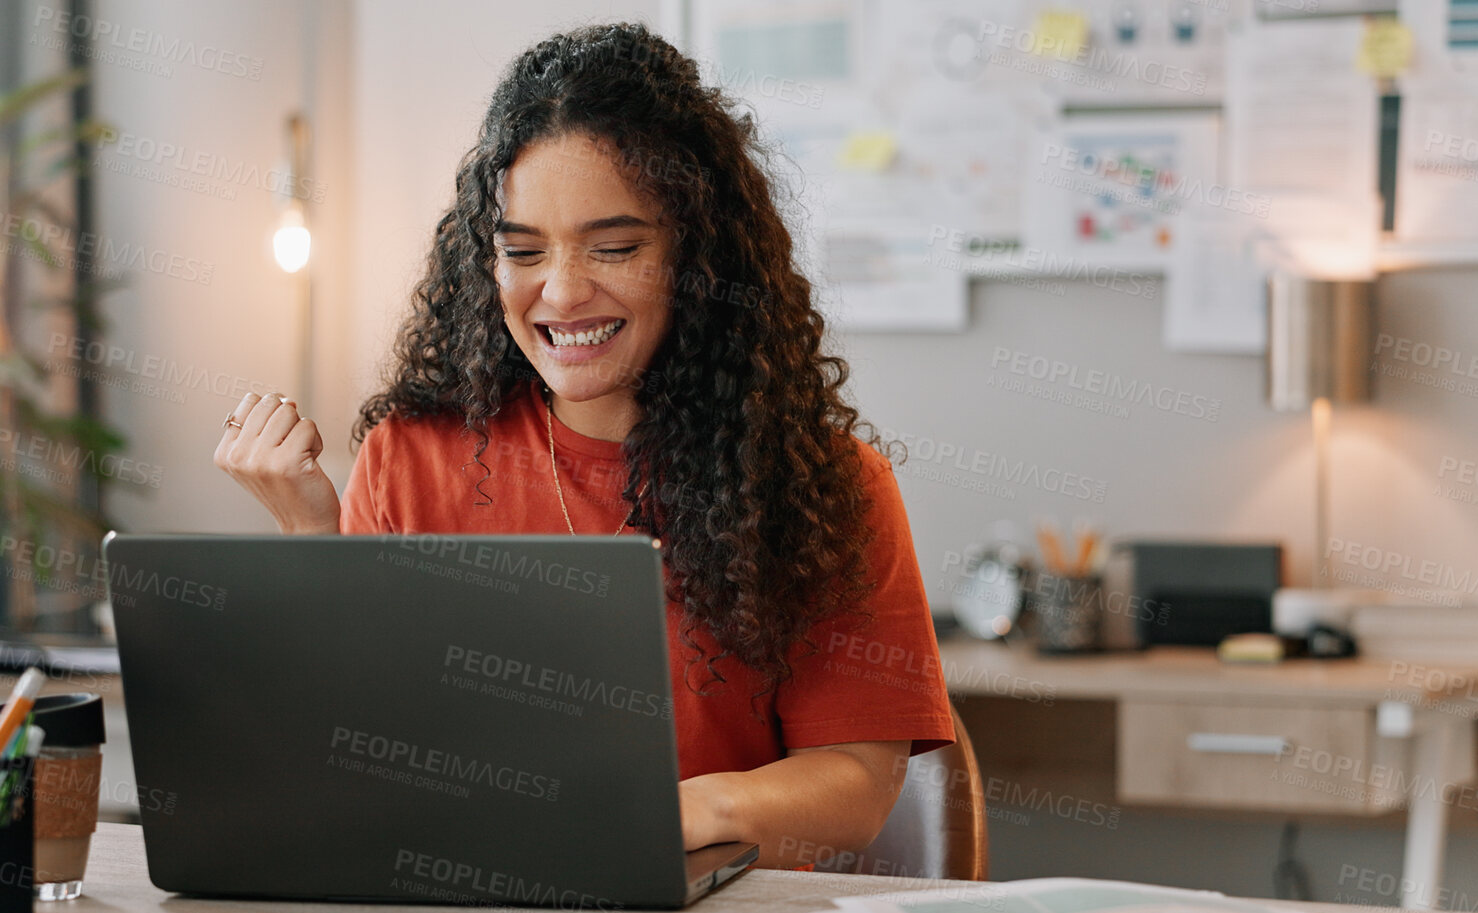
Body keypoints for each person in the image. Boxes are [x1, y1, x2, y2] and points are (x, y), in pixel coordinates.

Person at [214, 22, 950, 869]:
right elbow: (357, 749)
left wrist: (663, 814)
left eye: (614, 247)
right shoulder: (410, 455)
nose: (562, 293)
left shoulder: (823, 483)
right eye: (521, 251)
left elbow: (857, 783)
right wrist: (313, 541)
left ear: (697, 256)